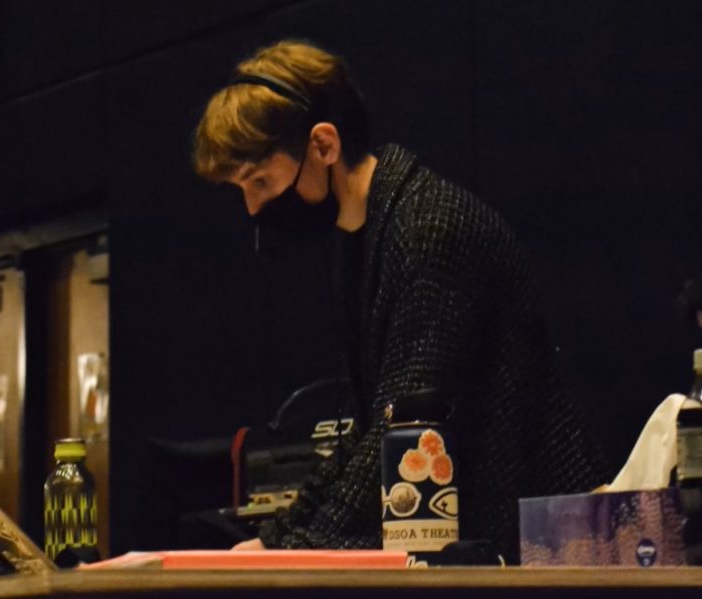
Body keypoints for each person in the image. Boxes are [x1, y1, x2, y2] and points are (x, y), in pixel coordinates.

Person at [192, 39, 605, 562]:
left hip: (541, 553)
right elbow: (369, 436)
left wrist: (292, 553)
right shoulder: (369, 236)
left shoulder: (428, 231)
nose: (253, 207)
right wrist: (274, 542)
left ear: (323, 146)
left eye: (260, 181)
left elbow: (404, 437)